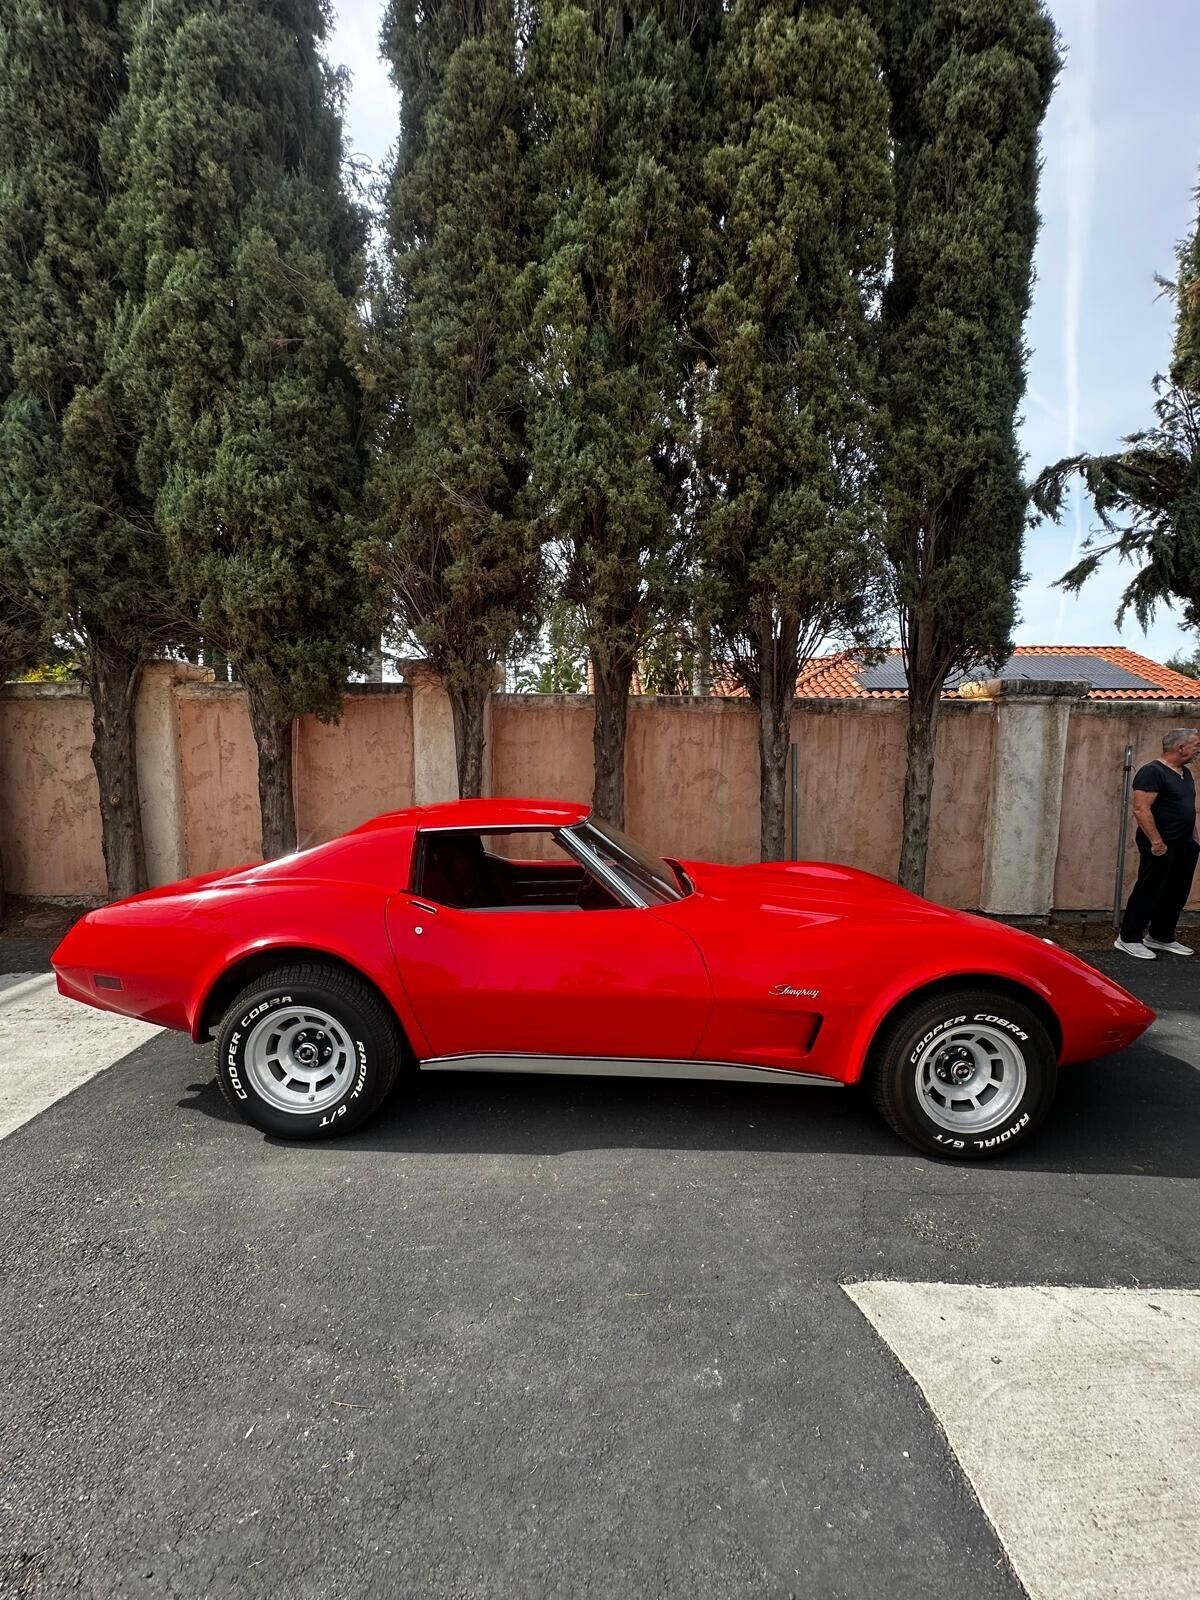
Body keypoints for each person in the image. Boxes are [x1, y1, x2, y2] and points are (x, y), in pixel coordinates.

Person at [1114, 728, 1200, 959]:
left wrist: (1194, 839)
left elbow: (1187, 809)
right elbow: (1141, 809)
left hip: (1185, 844)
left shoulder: (1185, 773)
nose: (1198, 750)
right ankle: (1129, 938)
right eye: (1195, 745)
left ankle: (1161, 936)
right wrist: (1156, 841)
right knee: (1149, 889)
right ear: (1180, 747)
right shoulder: (1152, 772)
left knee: (1176, 892)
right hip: (1160, 844)